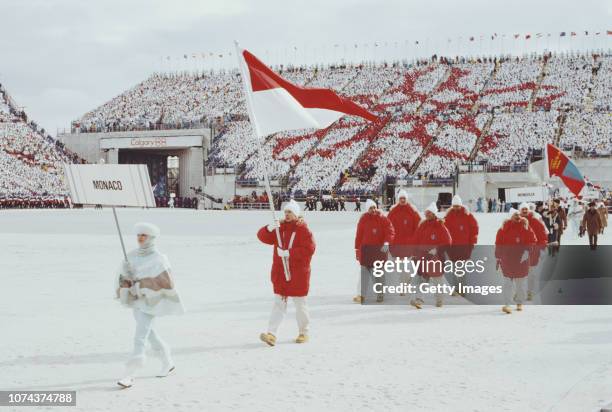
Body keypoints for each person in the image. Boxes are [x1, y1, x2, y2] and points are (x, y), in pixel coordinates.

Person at [115, 223, 185, 389]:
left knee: (140, 337)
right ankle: (168, 362)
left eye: (144, 235)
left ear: (152, 238)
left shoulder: (159, 258)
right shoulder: (130, 256)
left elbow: (166, 282)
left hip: (151, 302)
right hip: (137, 301)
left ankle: (130, 374)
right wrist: (127, 275)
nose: (140, 238)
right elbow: (123, 279)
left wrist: (141, 283)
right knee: (150, 334)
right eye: (138, 235)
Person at [257, 200, 316, 346]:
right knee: (279, 303)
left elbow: (309, 250)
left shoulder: (303, 230)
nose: (287, 214)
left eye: (290, 212)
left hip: (298, 274)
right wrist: (269, 228)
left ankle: (304, 332)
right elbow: (262, 237)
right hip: (281, 273)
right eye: (285, 212)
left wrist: (289, 253)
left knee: (300, 304)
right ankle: (271, 333)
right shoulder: (280, 228)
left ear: (296, 214)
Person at [411, 202, 452, 309]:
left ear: (434, 214)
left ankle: (439, 300)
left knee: (438, 280)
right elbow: (416, 241)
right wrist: (414, 254)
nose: (427, 214)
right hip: (423, 257)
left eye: (430, 212)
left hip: (436, 257)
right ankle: (418, 299)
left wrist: (437, 249)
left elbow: (448, 241)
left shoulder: (440, 225)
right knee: (422, 279)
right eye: (426, 212)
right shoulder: (422, 225)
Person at [495, 209, 537, 314]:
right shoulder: (503, 229)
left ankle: (519, 302)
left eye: (518, 215)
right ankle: (507, 304)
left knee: (520, 284)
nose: (518, 216)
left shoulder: (526, 227)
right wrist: (498, 257)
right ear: (510, 216)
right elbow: (498, 244)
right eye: (515, 215)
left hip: (521, 260)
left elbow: (533, 240)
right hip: (507, 260)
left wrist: (528, 249)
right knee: (507, 284)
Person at [354, 199, 395, 303]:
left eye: (374, 207)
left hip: (378, 252)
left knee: (379, 275)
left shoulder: (382, 219)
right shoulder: (363, 219)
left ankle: (380, 295)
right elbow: (359, 236)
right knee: (363, 275)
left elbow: (390, 231)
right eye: (370, 208)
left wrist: (386, 242)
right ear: (367, 209)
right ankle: (361, 295)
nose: (373, 210)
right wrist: (357, 250)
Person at [387, 190, 421, 293]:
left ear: (406, 199)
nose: (402, 200)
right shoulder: (393, 212)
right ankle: (401, 285)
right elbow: (387, 227)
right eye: (400, 198)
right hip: (396, 245)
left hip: (408, 246)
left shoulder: (412, 212)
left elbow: (419, 228)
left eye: (404, 198)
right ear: (398, 199)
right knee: (397, 268)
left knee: (406, 268)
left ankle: (405, 286)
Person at [443, 195, 478, 292]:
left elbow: (474, 230)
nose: (456, 208)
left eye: (457, 206)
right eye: (454, 206)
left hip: (464, 247)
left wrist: (472, 243)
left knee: (462, 269)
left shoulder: (468, 216)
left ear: (461, 205)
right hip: (452, 247)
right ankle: (455, 287)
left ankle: (462, 288)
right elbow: (444, 231)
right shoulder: (449, 216)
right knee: (454, 268)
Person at [519, 202, 547, 301]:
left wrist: (541, 249)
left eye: (526, 209)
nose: (525, 211)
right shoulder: (516, 221)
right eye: (523, 209)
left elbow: (543, 236)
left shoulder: (535, 221)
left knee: (531, 274)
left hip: (533, 253)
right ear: (520, 210)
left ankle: (529, 292)